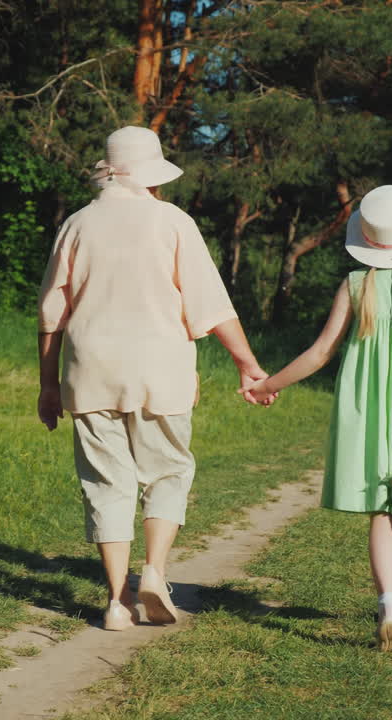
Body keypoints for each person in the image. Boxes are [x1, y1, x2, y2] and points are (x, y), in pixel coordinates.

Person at [37, 126, 273, 631]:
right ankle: (155, 572)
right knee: (167, 472)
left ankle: (116, 602)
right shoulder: (173, 222)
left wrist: (48, 384)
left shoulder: (77, 224)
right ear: (152, 175)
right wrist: (247, 363)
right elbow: (209, 306)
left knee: (106, 483)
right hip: (159, 369)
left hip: (90, 370)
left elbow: (51, 314)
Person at [241, 184, 392, 651]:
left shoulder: (357, 285)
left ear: (369, 242)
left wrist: (267, 383)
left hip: (372, 414)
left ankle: (389, 601)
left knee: (382, 508)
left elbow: (319, 353)